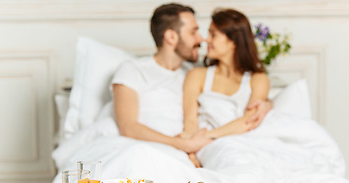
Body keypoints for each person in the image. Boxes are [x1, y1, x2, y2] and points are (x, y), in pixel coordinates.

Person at [112, 3, 272, 168]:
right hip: (166, 147)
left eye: (211, 34)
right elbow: (128, 127)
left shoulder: (190, 71)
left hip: (193, 144)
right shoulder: (134, 70)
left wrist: (267, 104)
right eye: (193, 32)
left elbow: (247, 110)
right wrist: (186, 146)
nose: (202, 39)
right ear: (171, 37)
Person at [183, 8, 269, 143]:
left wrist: (205, 136)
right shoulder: (197, 76)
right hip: (204, 146)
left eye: (213, 34)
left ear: (233, 41)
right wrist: (192, 150)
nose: (207, 40)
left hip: (241, 143)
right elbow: (190, 122)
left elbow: (248, 122)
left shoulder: (258, 80)